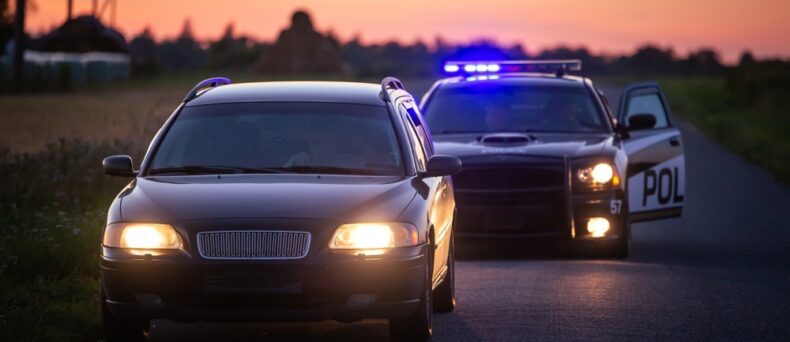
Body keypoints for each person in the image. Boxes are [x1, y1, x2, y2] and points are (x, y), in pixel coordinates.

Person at [283, 125, 365, 168]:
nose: (320, 147)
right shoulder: (299, 161)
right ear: (309, 143)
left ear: (336, 143)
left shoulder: (349, 164)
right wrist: (292, 166)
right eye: (315, 142)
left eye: (326, 143)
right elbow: (282, 180)